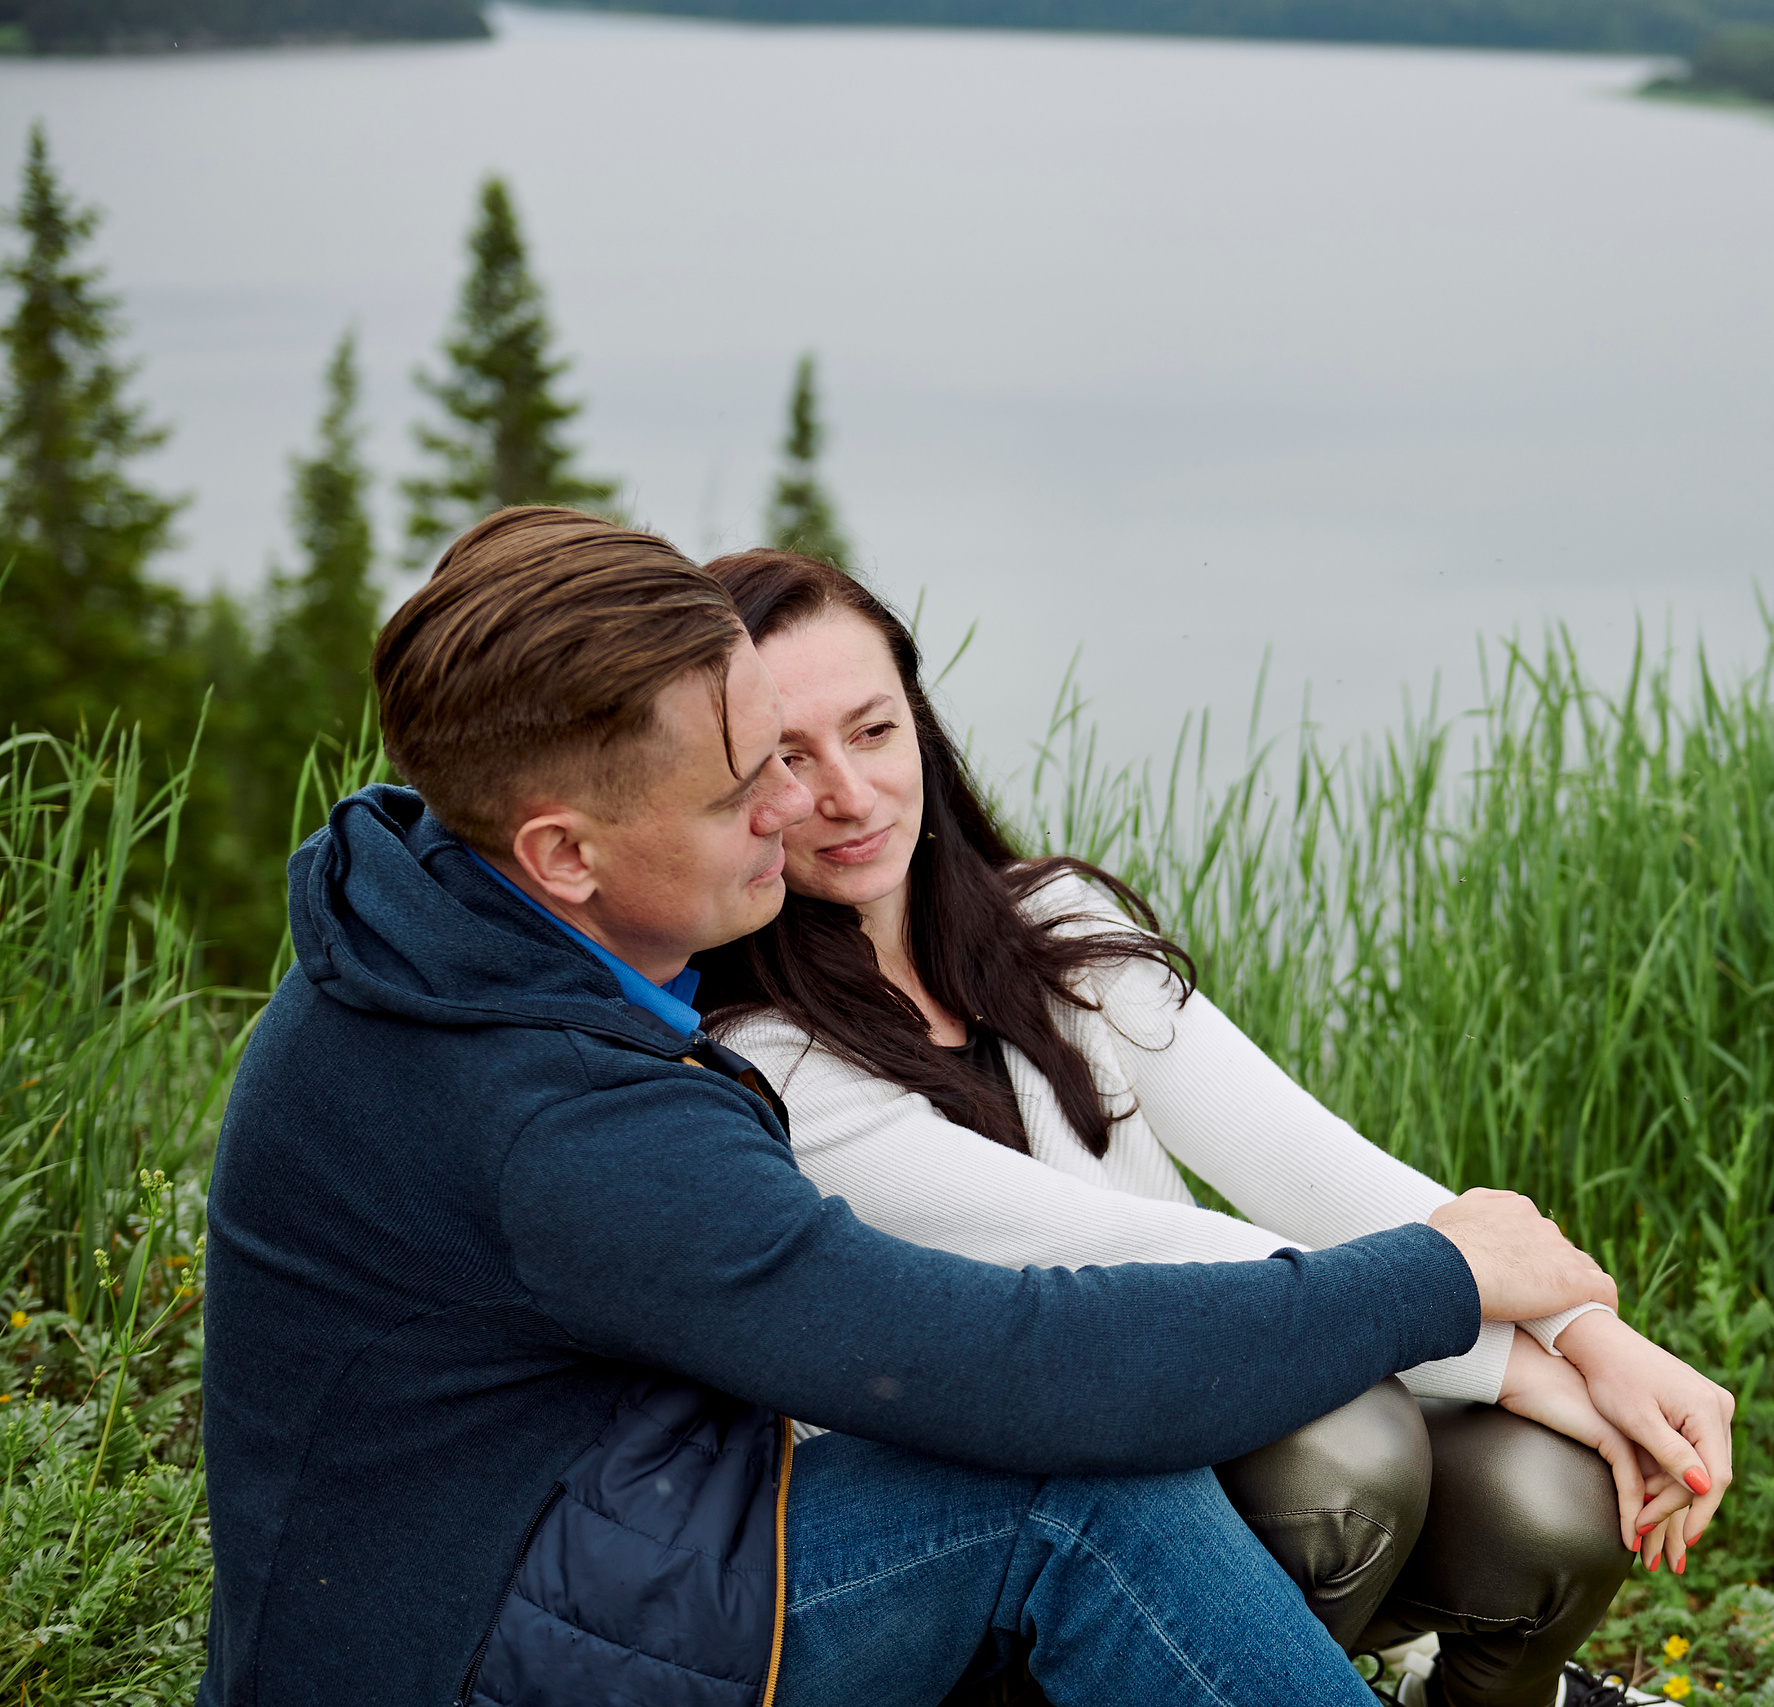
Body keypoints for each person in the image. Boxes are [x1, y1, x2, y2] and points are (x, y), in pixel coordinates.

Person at [196, 506, 1628, 1707]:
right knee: (1074, 1494)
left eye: (820, 739)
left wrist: (1540, 1322)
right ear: (565, 852)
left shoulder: (422, 903)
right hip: (475, 1649)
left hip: (518, 1539)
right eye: (744, 783)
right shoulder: (561, 1119)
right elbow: (1001, 1357)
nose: (797, 808)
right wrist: (1438, 1282)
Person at [692, 550, 1738, 1707]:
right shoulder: (757, 1058)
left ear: (922, 727)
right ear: (728, 781)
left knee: (1550, 1495)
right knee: (1347, 1450)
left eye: (874, 731)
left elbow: (1311, 1165)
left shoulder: (1057, 927)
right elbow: (1131, 1262)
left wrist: (1591, 1336)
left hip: (1187, 1425)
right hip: (987, 1538)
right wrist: (1503, 1356)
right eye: (789, 757)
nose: (847, 792)